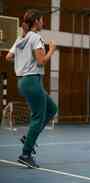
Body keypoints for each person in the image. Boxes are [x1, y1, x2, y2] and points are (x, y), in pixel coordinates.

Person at [6, 9, 57, 168]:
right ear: (36, 22)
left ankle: (28, 137)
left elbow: (8, 57)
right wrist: (52, 50)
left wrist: (22, 59)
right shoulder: (35, 37)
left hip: (23, 81)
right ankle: (25, 154)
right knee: (38, 117)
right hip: (32, 81)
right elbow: (41, 61)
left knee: (52, 108)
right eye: (42, 20)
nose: (43, 23)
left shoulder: (21, 38)